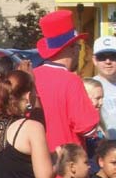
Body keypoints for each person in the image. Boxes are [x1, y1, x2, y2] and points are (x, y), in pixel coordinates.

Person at [32, 9, 100, 154]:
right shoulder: (71, 81)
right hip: (68, 166)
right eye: (78, 46)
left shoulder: (31, 76)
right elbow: (87, 128)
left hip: (37, 165)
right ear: (72, 48)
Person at [92, 35, 116, 138]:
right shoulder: (89, 87)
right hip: (105, 149)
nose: (108, 61)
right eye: (102, 57)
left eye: (113, 56)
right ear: (94, 60)